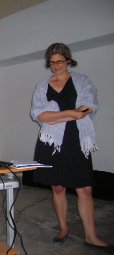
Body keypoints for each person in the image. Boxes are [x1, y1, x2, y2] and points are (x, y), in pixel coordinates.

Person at [30, 43, 112, 251]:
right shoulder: (42, 86)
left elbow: (87, 107)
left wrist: (58, 115)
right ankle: (63, 228)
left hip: (76, 139)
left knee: (84, 189)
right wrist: (71, 114)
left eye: (60, 61)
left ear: (68, 60)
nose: (56, 65)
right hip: (50, 142)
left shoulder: (82, 81)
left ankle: (91, 235)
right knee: (57, 187)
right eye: (52, 62)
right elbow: (39, 115)